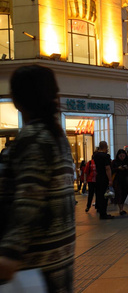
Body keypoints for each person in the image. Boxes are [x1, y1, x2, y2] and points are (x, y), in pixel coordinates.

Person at [0, 65, 75, 292]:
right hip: (56, 266)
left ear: (17, 99)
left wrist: (9, 253)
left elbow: (28, 201)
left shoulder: (33, 138)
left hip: (30, 269)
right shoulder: (57, 137)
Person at [94, 141, 114, 220]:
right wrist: (110, 179)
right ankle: (104, 213)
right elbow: (107, 168)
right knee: (105, 195)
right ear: (105, 146)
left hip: (98, 176)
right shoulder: (106, 156)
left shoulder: (95, 155)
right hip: (104, 177)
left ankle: (101, 211)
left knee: (99, 195)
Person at [112, 149, 128, 215]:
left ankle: (122, 208)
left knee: (124, 193)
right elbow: (112, 170)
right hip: (117, 180)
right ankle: (121, 209)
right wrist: (118, 168)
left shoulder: (127, 161)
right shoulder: (114, 162)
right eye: (121, 156)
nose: (122, 157)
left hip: (125, 180)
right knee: (119, 193)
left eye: (123, 156)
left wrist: (126, 168)